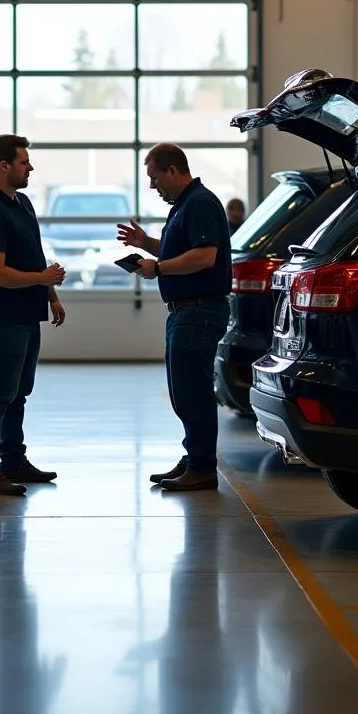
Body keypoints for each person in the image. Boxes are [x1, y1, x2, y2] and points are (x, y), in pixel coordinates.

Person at [117, 143, 232, 491]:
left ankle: (202, 466)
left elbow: (203, 257)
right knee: (183, 391)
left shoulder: (199, 203)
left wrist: (159, 267)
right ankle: (194, 458)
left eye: (155, 178)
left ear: (172, 170)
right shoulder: (185, 205)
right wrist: (147, 243)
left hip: (199, 309)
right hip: (186, 310)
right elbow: (182, 250)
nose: (153, 186)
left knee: (193, 391)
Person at [0, 134, 67, 497]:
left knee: (18, 393)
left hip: (27, 313)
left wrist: (51, 295)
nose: (31, 167)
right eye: (24, 162)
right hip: (3, 316)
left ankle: (13, 459)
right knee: (0, 393)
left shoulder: (22, 203)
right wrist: (42, 279)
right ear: (4, 165)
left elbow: (34, 256)